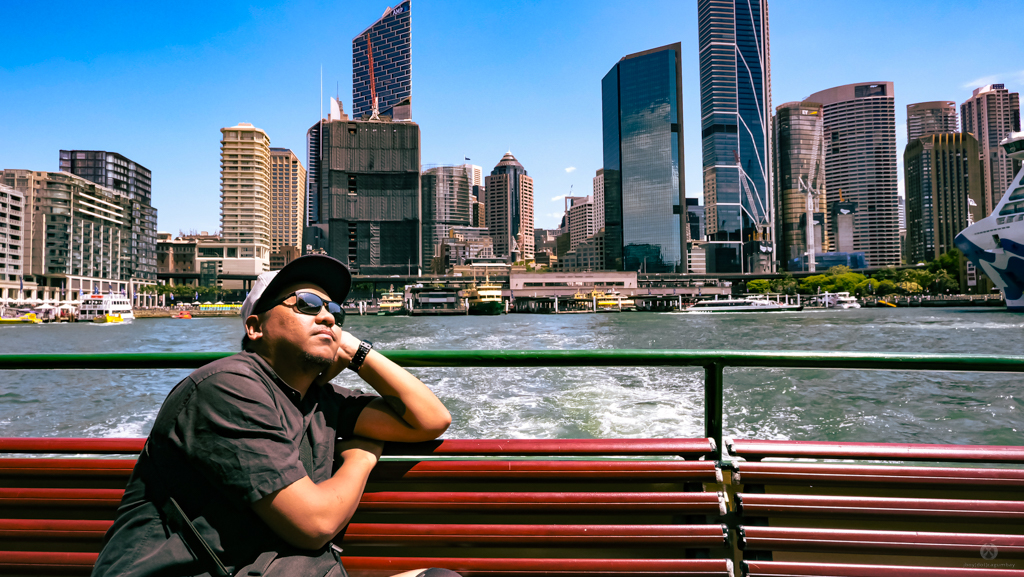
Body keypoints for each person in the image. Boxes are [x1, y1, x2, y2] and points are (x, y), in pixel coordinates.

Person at [93, 255, 458, 577]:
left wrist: (354, 348)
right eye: (308, 304)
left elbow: (430, 419)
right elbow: (315, 524)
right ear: (255, 327)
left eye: (336, 312)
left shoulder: (320, 401)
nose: (328, 316)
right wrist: (360, 457)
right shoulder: (227, 388)